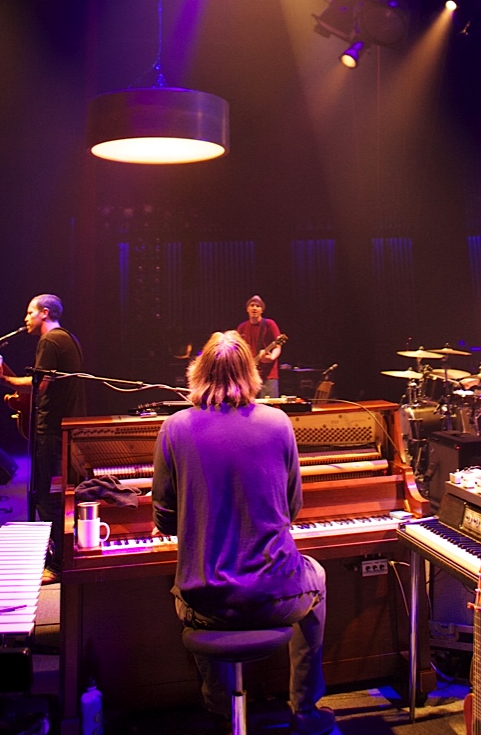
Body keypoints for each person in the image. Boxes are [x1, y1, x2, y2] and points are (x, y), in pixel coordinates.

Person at [152, 330, 336, 735]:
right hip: (276, 596)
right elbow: (292, 509)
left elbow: (164, 521)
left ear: (197, 373)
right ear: (252, 374)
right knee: (318, 576)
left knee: (189, 587)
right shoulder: (278, 422)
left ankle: (221, 708)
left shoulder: (174, 427)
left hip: (205, 603)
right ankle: (305, 710)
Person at [0, 294, 85, 582]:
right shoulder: (69, 339)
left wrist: (4, 380)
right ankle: (62, 558)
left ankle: (56, 565)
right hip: (67, 428)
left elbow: (40, 385)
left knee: (46, 499)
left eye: (29, 312)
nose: (26, 318)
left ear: (44, 313)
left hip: (51, 431)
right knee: (61, 498)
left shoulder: (49, 341)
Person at [237, 294, 283, 398]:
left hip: (268, 375)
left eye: (258, 306)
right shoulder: (242, 327)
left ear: (262, 310)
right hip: (249, 375)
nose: (254, 308)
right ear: (247, 309)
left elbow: (278, 346)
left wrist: (272, 357)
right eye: (252, 305)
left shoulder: (269, 324)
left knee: (269, 405)